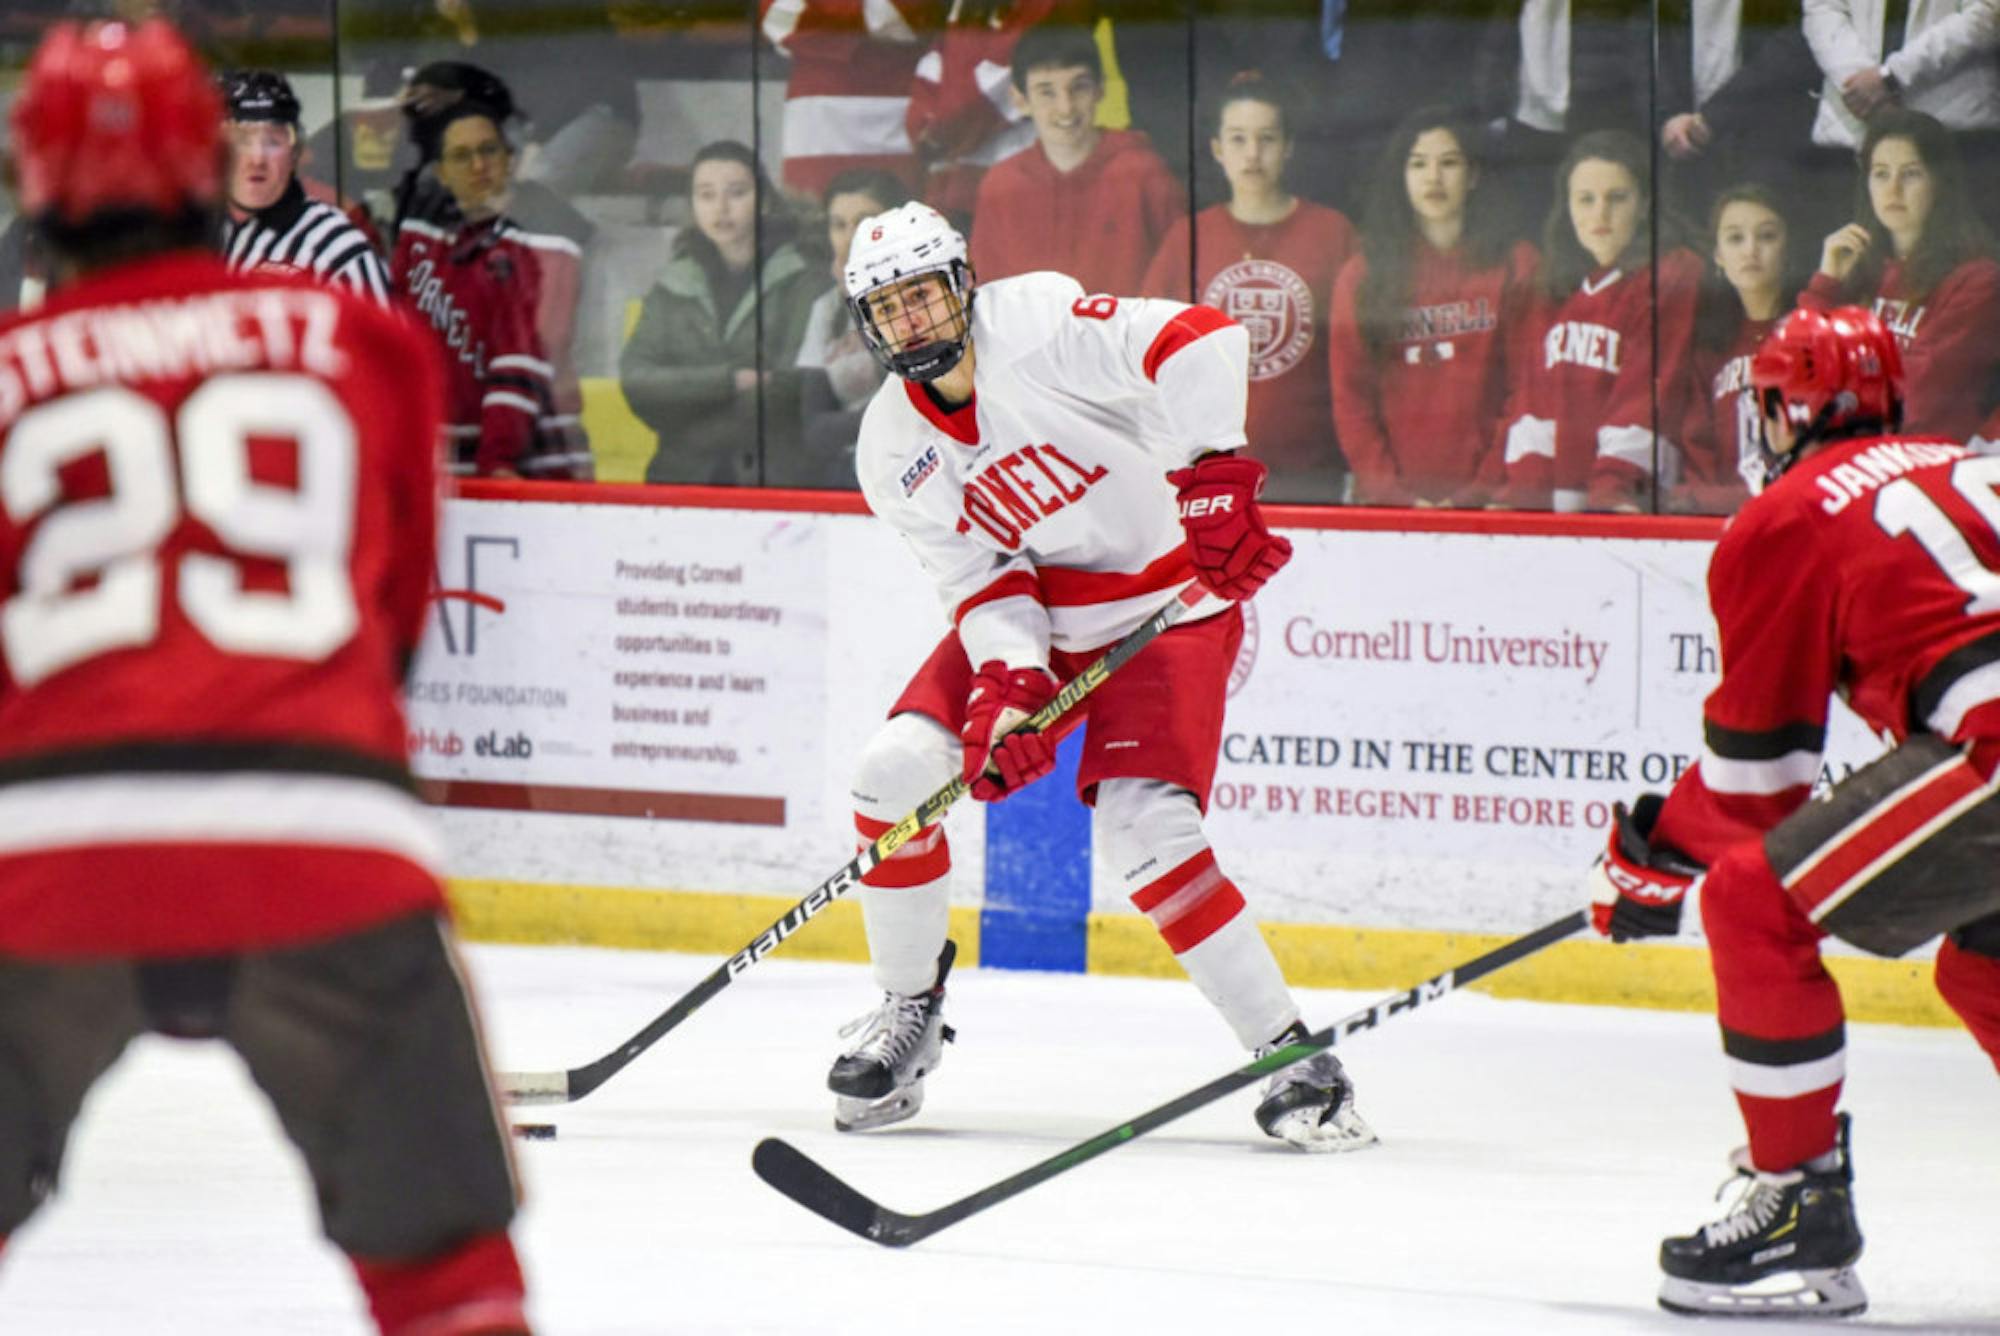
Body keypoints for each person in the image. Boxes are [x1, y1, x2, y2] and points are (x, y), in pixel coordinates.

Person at [0, 20, 531, 1335]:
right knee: (449, 1276)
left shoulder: (10, 379)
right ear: (204, 166)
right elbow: (389, 623)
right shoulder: (357, 340)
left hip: (44, 849)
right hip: (323, 832)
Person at [824, 201, 1375, 1152]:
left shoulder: (1037, 324)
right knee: (890, 772)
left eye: (923, 295)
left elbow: (1201, 337)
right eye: (890, 308)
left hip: (1172, 598)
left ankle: (1295, 1059)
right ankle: (907, 1012)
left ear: (961, 284)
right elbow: (986, 579)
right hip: (1046, 614)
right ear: (869, 325)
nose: (912, 321)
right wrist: (1011, 690)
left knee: (1147, 827)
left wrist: (1214, 473)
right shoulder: (889, 450)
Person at [1585, 304, 2000, 1319]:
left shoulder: (1784, 517)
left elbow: (1754, 784)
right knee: (1983, 965)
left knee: (1748, 904)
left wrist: (1653, 860)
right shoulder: (1970, 460)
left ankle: (1794, 1200)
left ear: (1782, 409)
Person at [1140, 73, 1355, 503]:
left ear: (1288, 147)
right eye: (1238, 139)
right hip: (1210, 468)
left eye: (1267, 139)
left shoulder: (1333, 232)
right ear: (1217, 149)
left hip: (1311, 468)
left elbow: (1358, 354)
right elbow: (1149, 352)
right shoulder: (1188, 237)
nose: (1253, 154)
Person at [1327, 105, 1537, 508]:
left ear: (1473, 175)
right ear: (1402, 177)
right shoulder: (1362, 276)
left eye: (1449, 163)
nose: (1433, 178)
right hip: (1392, 507)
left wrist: (1480, 491)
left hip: (1493, 503)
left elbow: (1525, 393)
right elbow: (1352, 401)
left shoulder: (1517, 265)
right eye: (1419, 164)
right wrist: (1391, 495)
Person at [1497, 129, 1704, 512]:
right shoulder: (1553, 283)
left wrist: (1612, 490)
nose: (1599, 214)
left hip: (1629, 501)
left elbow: (1648, 393)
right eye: (1586, 200)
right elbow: (1533, 398)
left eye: (1617, 198)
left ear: (1644, 204)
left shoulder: (1672, 273)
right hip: (1558, 503)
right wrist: (1527, 496)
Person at [391, 95, 591, 479]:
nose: (479, 165)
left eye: (488, 151)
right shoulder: (422, 238)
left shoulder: (545, 239)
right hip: (446, 466)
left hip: (534, 466)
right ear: (443, 172)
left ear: (510, 160)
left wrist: (498, 462)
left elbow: (521, 362)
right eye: (462, 156)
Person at [619, 140, 829, 486]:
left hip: (778, 477)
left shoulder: (805, 276)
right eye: (706, 194)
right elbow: (637, 380)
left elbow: (797, 385)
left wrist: (689, 408)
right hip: (681, 477)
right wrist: (730, 381)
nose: (721, 208)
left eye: (736, 192)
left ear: (763, 201)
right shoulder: (674, 282)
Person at [1800, 109, 2000, 443]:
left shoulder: (1978, 281)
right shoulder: (1857, 269)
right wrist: (1825, 284)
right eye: (1880, 174)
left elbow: (1916, 396)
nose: (1892, 189)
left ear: (1940, 182)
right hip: (1847, 455)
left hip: (1924, 465)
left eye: (1910, 174)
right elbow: (1793, 373)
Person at [967, 23, 1184, 295]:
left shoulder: (1144, 173)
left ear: (1100, 90)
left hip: (1126, 337)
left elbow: (1181, 283)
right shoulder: (1001, 185)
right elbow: (987, 294)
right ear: (1020, 99)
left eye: (1078, 87)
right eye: (1047, 92)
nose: (1065, 107)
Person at [218, 68, 393, 305]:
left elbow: (375, 341)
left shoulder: (339, 251)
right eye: (241, 140)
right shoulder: (190, 238)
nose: (257, 158)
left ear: (295, 152)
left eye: (273, 141)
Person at [1677, 183, 1797, 515]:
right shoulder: (1710, 348)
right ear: (1717, 255)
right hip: (1725, 522)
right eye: (1735, 238)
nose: (1750, 251)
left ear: (1788, 249)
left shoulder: (1810, 329)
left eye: (1767, 236)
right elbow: (1697, 448)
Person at [796, 168, 911, 484]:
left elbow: (913, 413)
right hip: (849, 469)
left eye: (864, 223)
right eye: (838, 225)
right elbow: (814, 430)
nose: (849, 238)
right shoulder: (827, 308)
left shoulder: (924, 300)